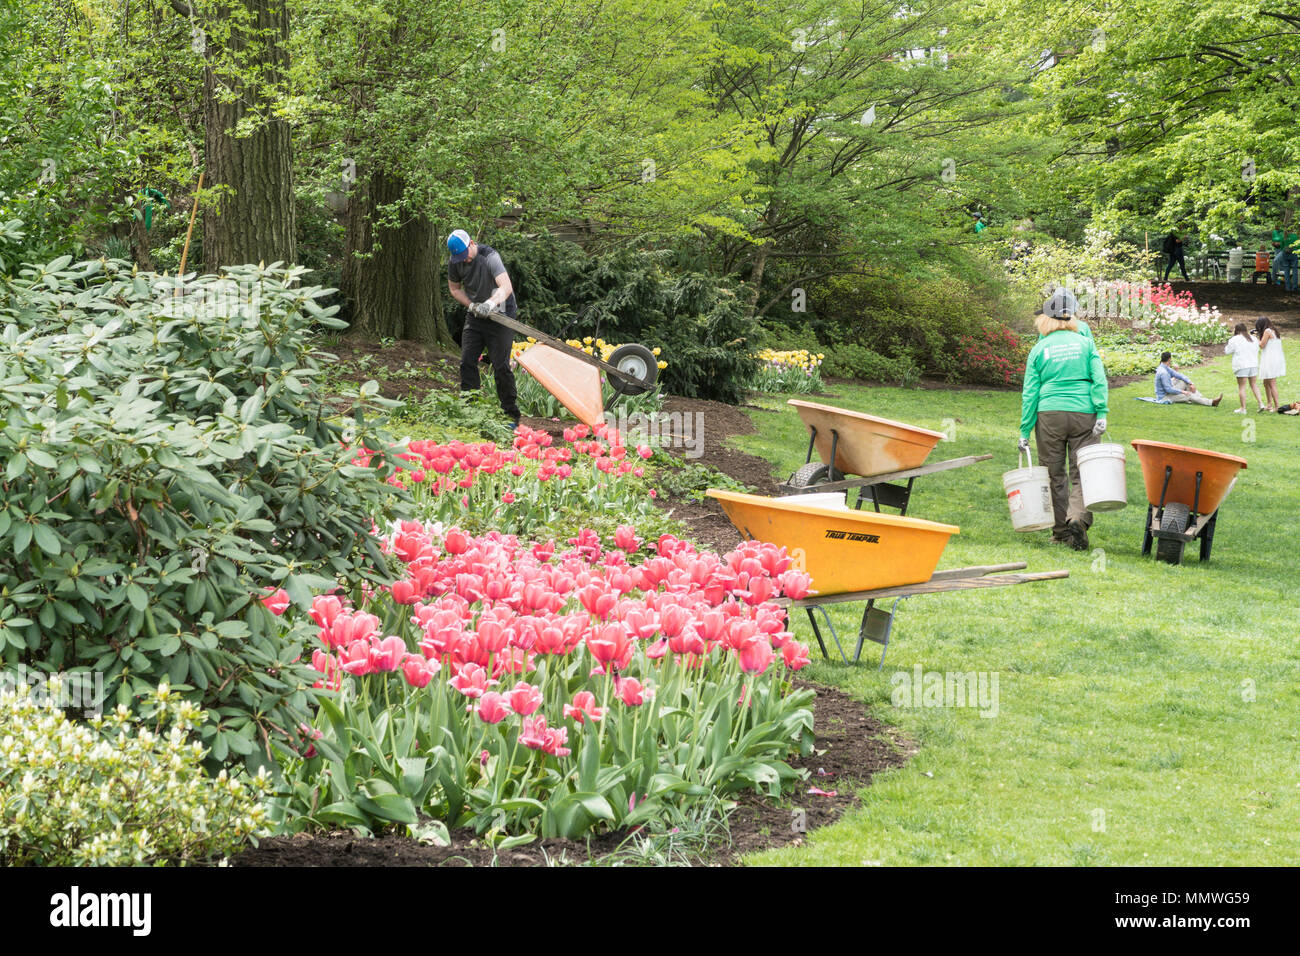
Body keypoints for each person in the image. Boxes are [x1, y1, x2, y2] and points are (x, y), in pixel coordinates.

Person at [1019, 305, 1109, 551]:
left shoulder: (1038, 349)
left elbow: (1030, 393)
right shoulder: (1085, 343)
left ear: (1045, 322)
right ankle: (1077, 517)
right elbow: (1099, 379)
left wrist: (1024, 431)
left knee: (1053, 474)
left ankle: (1060, 532)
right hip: (1084, 412)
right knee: (1084, 471)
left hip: (1049, 414)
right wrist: (1101, 412)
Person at [446, 228, 521, 428]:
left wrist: (489, 304)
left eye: (465, 255)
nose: (465, 260)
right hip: (476, 314)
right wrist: (471, 306)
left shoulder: (490, 257)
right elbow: (454, 289)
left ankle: (510, 415)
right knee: (467, 361)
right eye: (459, 258)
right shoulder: (455, 261)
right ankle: (470, 410)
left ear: (471, 243)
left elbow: (506, 287)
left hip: (501, 312)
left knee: (501, 366)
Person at [1154, 352, 1221, 406]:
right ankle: (1211, 402)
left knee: (1185, 382)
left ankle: (1200, 398)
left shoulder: (1165, 367)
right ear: (1169, 359)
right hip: (1165, 397)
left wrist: (1191, 383)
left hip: (1169, 391)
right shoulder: (1163, 372)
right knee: (1188, 395)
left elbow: (1179, 375)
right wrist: (1183, 392)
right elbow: (1168, 389)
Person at [1224, 323, 1262, 413]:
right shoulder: (1253, 338)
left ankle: (1243, 408)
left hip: (1241, 365)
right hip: (1253, 364)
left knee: (1242, 387)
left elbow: (1227, 351)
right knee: (1254, 385)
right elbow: (1257, 349)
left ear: (1236, 330)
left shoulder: (1234, 339)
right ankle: (1261, 404)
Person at [1256, 316, 1286, 412]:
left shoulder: (1267, 331)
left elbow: (1261, 345)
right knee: (1266, 383)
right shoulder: (1274, 330)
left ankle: (1277, 406)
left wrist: (1254, 338)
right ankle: (1269, 404)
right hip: (1273, 358)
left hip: (1270, 360)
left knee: (1272, 383)